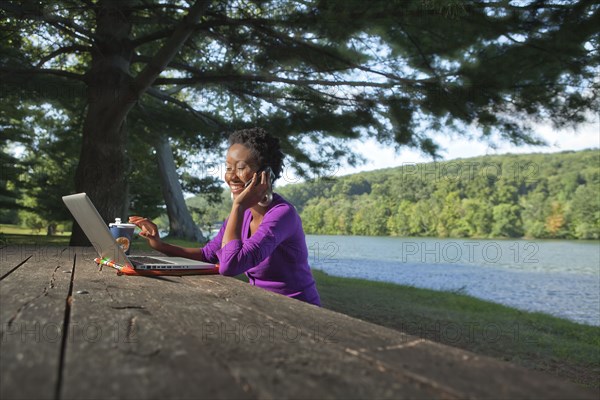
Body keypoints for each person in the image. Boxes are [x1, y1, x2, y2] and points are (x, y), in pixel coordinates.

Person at [129, 128, 321, 306]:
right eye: (229, 168)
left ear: (265, 175)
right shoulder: (242, 215)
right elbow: (208, 255)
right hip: (264, 306)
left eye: (240, 167)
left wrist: (238, 206)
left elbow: (230, 266)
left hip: (298, 309)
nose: (231, 177)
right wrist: (159, 245)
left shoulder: (282, 215)